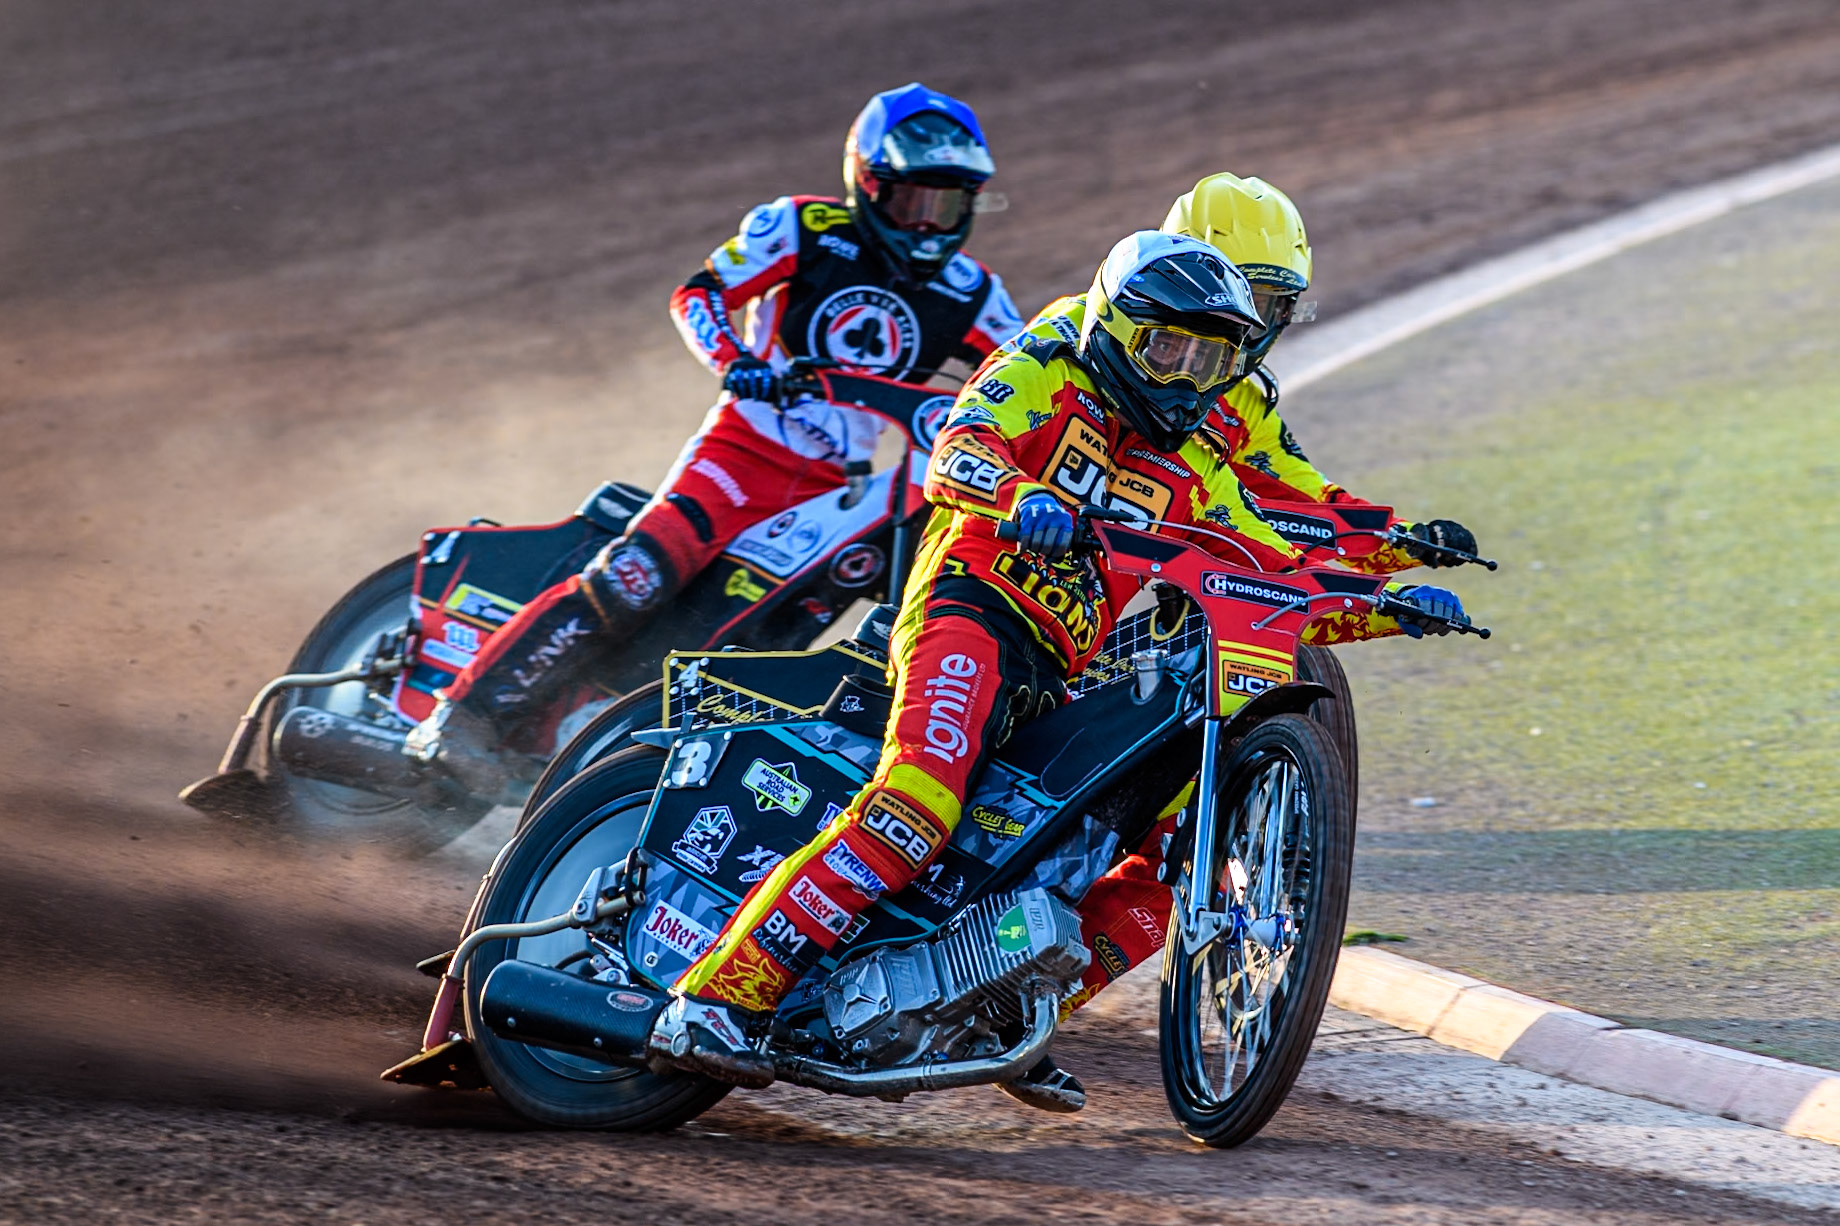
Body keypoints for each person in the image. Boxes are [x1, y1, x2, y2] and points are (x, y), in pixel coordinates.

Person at [646, 232, 1467, 1107]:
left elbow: (1273, 568)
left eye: (1211, 358)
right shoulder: (1048, 366)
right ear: (1116, 330)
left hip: (1059, 669)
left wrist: (1393, 607)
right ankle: (715, 997)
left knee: (1110, 857)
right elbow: (959, 446)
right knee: (916, 803)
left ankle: (1001, 1010)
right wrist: (1021, 496)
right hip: (970, 607)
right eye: (1167, 349)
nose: (1186, 377)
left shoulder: (1196, 468)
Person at [405, 83, 1025, 793]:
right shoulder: (801, 228)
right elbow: (698, 294)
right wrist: (737, 361)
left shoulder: (974, 292)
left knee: (775, 636)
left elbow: (1018, 382)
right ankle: (460, 717)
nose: (927, 223)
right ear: (867, 182)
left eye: (947, 204)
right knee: (635, 577)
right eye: (912, 200)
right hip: (739, 452)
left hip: (836, 487)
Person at [1008, 171, 1478, 574]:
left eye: (1269, 306)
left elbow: (1302, 497)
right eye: (1240, 295)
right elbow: (993, 405)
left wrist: (1406, 540)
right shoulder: (1077, 325)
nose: (1246, 323)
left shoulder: (1242, 400)